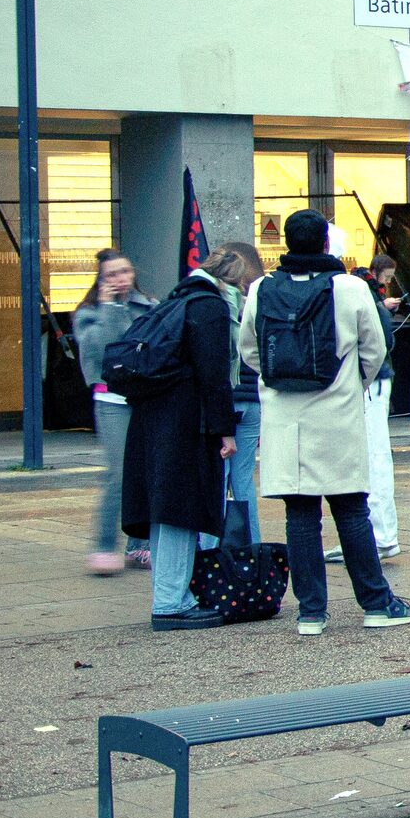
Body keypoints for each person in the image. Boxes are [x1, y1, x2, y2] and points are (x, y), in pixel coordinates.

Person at [240, 211, 410, 636]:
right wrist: (353, 381)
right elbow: (375, 349)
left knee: (300, 517)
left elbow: (249, 349)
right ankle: (376, 602)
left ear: (285, 241)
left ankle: (311, 613)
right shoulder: (351, 288)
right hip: (336, 412)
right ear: (325, 244)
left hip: (286, 420)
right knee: (352, 511)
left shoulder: (261, 289)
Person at [120, 247, 238, 630]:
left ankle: (168, 594)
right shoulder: (209, 307)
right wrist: (225, 430)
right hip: (187, 422)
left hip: (154, 420)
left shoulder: (173, 302)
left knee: (164, 509)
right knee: (180, 511)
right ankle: (171, 602)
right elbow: (214, 376)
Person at [74, 249, 158, 575]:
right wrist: (110, 307)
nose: (120, 279)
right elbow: (105, 347)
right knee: (119, 473)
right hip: (111, 400)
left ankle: (141, 545)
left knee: (147, 471)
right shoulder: (88, 315)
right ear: (100, 280)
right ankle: (104, 544)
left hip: (146, 398)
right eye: (111, 274)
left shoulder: (148, 306)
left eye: (124, 271)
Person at [206, 243, 267, 543]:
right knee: (243, 482)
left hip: (223, 403)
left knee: (216, 481)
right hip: (252, 402)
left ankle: (209, 552)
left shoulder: (212, 304)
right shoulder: (258, 302)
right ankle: (251, 549)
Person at [360, 253, 402, 560]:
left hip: (372, 382)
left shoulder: (368, 298)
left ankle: (382, 535)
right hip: (374, 379)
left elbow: (381, 344)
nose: (387, 282)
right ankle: (381, 534)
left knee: (374, 454)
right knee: (374, 454)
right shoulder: (372, 298)